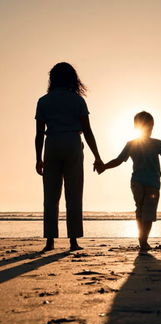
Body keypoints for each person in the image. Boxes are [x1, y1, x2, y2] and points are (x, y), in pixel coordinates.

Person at [35, 62, 103, 252]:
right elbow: (88, 131)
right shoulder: (77, 100)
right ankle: (73, 240)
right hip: (73, 142)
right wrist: (97, 156)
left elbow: (39, 133)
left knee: (50, 195)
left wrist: (38, 158)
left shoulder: (44, 101)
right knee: (74, 194)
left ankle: (50, 241)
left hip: (52, 143)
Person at [96, 111, 161, 251]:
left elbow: (119, 160)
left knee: (141, 210)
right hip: (151, 183)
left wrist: (104, 166)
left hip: (138, 182)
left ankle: (142, 240)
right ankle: (143, 240)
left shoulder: (134, 144)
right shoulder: (154, 143)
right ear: (151, 127)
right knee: (148, 212)